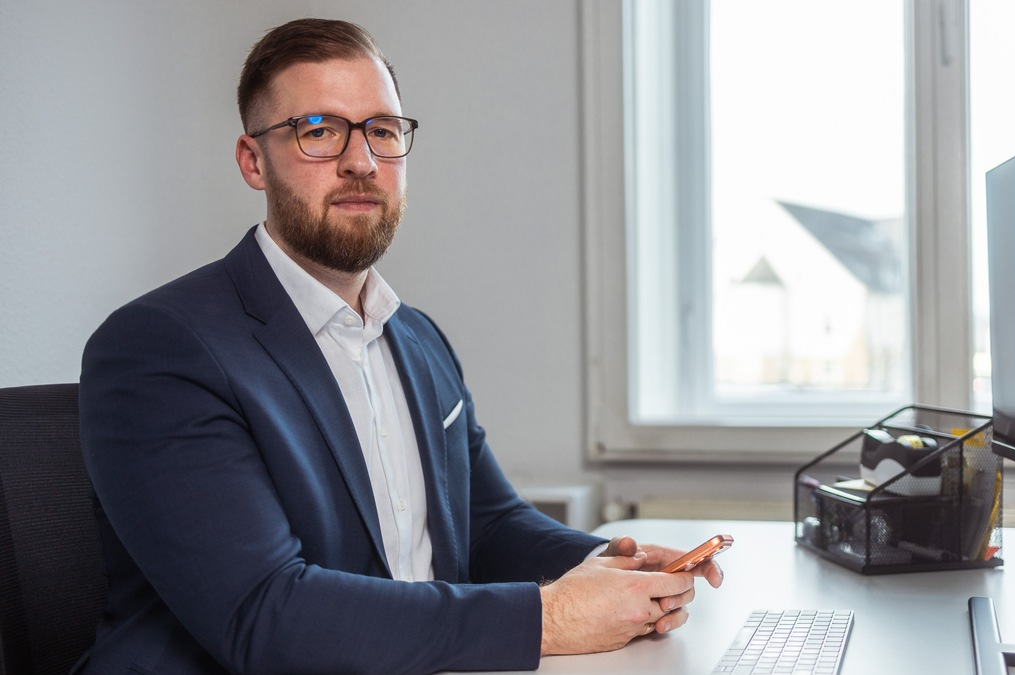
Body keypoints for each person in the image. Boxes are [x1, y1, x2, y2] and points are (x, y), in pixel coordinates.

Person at [77, 17, 722, 675]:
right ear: (253, 161)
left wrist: (611, 566)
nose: (361, 161)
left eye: (383, 131)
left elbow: (489, 524)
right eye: (319, 131)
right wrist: (552, 617)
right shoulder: (159, 347)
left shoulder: (416, 337)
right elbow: (264, 614)